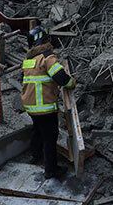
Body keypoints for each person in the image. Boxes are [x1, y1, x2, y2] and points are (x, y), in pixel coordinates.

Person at [22, 26, 75, 180]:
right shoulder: (47, 57)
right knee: (50, 137)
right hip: (45, 108)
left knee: (37, 131)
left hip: (31, 107)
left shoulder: (29, 61)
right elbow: (61, 78)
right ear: (45, 40)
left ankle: (35, 155)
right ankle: (51, 170)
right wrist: (72, 82)